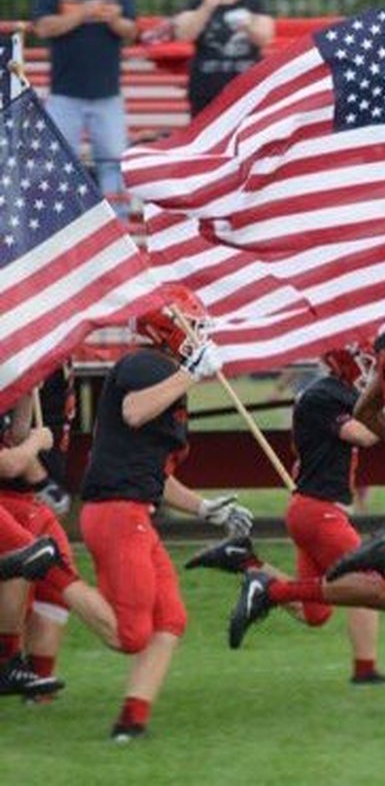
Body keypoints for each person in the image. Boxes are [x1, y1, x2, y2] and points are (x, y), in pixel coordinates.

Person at [78, 287, 253, 741]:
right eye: (191, 324)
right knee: (131, 634)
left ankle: (131, 723)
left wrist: (205, 509)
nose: (198, 332)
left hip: (130, 508)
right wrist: (190, 374)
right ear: (167, 328)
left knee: (170, 619)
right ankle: (54, 577)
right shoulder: (145, 365)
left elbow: (153, 472)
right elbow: (134, 411)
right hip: (118, 513)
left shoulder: (164, 373)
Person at [216, 344, 385, 684]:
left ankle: (249, 565)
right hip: (319, 511)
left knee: (315, 613)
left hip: (313, 509)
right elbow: (361, 435)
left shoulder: (333, 392)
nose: (372, 371)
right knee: (369, 583)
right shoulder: (325, 395)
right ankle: (365, 671)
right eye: (367, 363)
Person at [0, 398, 123, 699]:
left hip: (29, 501)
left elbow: (15, 434)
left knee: (52, 585)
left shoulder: (37, 371)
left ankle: (36, 686)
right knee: (29, 560)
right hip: (10, 498)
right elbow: (9, 463)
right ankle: (7, 662)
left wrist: (30, 384)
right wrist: (38, 450)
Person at [30, 0, 138, 197]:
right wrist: (82, 12)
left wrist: (115, 21)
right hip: (65, 95)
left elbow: (132, 32)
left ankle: (119, 227)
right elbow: (43, 28)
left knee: (115, 164)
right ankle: (60, 228)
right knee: (58, 164)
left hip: (108, 96)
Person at [171, 0, 275, 116]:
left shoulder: (254, 4)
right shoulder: (198, 2)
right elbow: (184, 35)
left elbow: (265, 39)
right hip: (205, 89)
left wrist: (247, 25)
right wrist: (208, 6)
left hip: (246, 90)